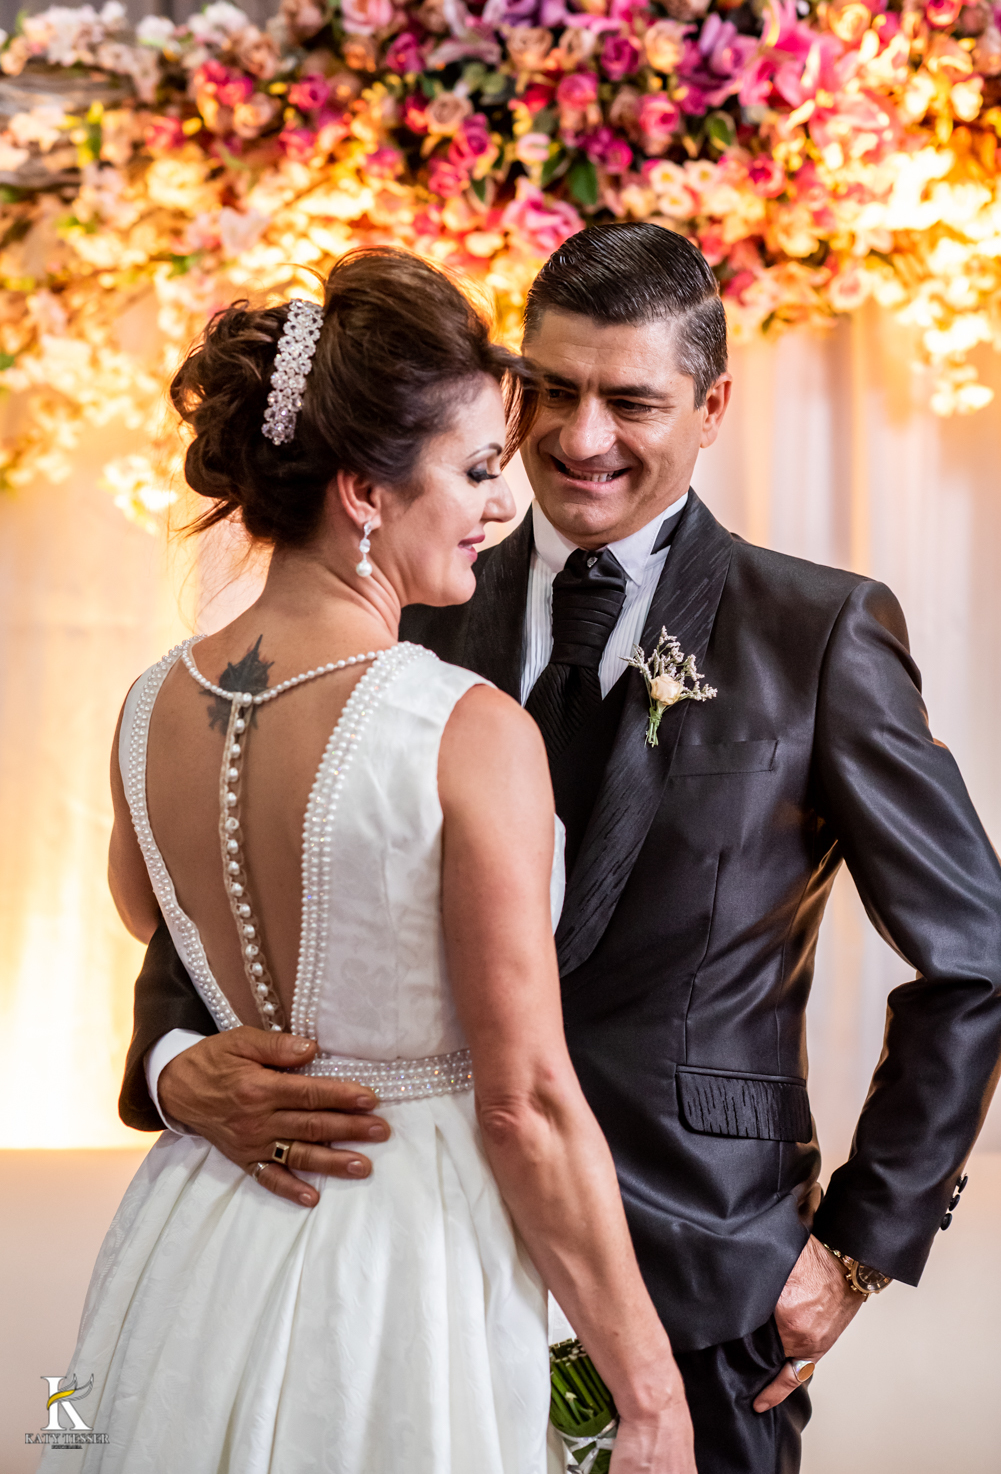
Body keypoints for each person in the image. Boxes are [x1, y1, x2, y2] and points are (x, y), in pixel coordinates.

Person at [120, 225, 1001, 1474]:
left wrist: (856, 1250)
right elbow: (249, 859)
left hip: (699, 1278)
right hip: (404, 1267)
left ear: (712, 409)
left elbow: (973, 956)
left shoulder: (815, 631)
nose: (579, 439)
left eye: (630, 401)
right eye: (551, 391)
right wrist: (171, 1060)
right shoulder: (409, 591)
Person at [46, 249, 698, 1474]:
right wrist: (647, 1393)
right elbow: (525, 1103)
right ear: (361, 493)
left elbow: (154, 926)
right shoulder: (464, 729)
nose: (500, 509)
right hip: (408, 1260)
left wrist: (187, 1066)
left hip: (191, 1244)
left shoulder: (143, 706)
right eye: (474, 471)